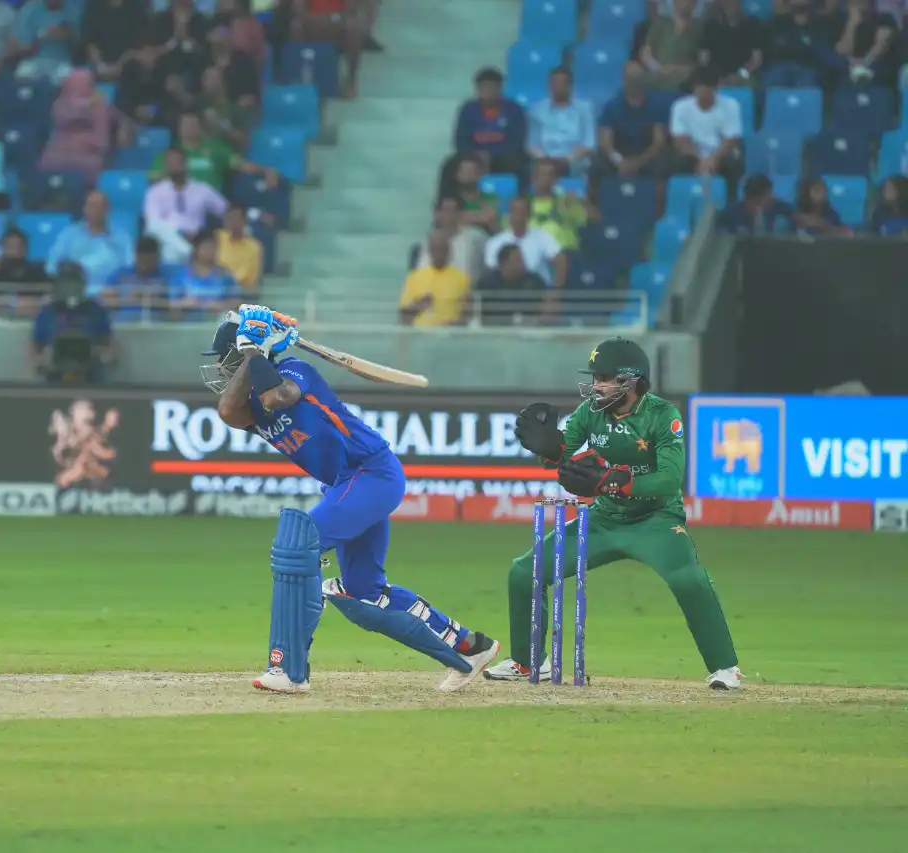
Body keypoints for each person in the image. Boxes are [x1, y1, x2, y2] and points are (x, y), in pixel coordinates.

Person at [203, 304, 500, 693]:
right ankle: (468, 647)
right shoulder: (246, 408)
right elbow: (228, 410)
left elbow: (279, 396)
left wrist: (253, 352)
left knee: (299, 545)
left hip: (372, 474)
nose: (223, 370)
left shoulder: (296, 371)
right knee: (364, 594)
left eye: (228, 360)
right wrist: (251, 350)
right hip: (349, 483)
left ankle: (289, 670)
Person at [484, 337, 742, 690]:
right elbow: (563, 454)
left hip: (656, 521)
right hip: (604, 520)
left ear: (631, 381)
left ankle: (725, 668)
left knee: (689, 579)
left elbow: (668, 481)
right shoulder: (591, 412)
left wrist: (612, 480)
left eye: (604, 378)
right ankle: (528, 663)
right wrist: (547, 448)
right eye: (595, 378)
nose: (596, 386)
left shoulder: (663, 416)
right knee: (523, 571)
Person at [399, 229, 470, 327]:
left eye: (442, 249)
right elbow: (403, 316)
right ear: (429, 250)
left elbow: (467, 315)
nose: (439, 253)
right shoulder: (414, 277)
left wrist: (453, 325)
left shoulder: (462, 278)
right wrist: (419, 305)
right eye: (436, 249)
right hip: (420, 334)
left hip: (450, 336)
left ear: (449, 251)